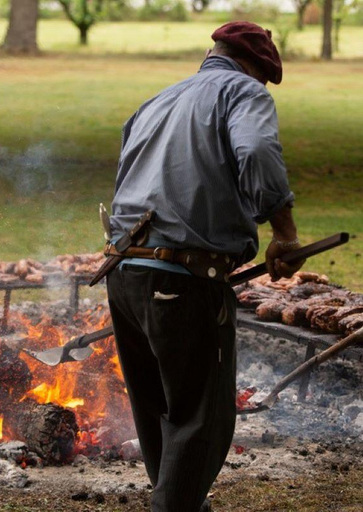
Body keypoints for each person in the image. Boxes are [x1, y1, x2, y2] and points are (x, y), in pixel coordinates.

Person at [104, 22, 304, 512]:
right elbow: (256, 150)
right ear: (257, 67)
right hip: (182, 280)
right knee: (201, 417)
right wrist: (284, 234)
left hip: (124, 273)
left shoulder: (157, 100)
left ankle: (182, 500)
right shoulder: (242, 92)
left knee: (157, 412)